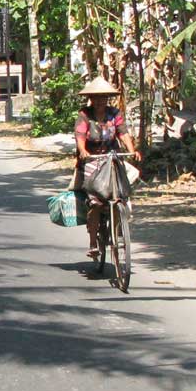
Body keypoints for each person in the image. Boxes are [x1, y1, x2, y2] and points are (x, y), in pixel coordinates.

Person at [73, 76, 141, 260]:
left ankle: (118, 223)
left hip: (112, 156)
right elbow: (80, 135)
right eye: (97, 97)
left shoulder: (114, 113)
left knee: (121, 192)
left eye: (104, 97)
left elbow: (123, 133)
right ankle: (93, 243)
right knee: (95, 202)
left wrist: (132, 151)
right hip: (93, 158)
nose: (100, 100)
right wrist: (83, 150)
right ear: (91, 99)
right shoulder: (85, 115)